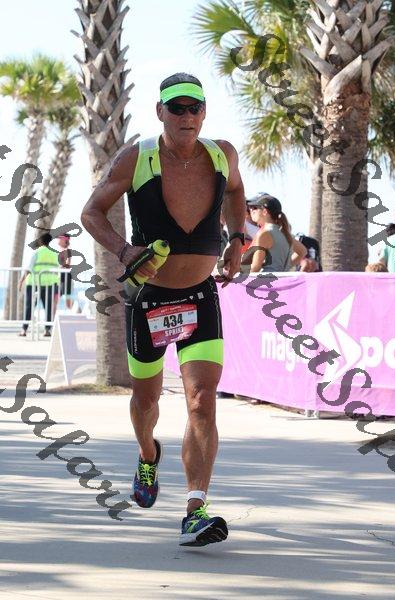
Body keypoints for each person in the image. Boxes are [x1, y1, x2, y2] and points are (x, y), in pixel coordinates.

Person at [81, 73, 246, 546]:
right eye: (177, 108)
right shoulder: (137, 157)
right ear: (160, 112)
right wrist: (124, 249)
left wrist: (237, 238)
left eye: (195, 107)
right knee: (146, 401)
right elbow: (91, 212)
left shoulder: (223, 154)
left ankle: (196, 508)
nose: (187, 116)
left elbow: (236, 193)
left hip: (200, 295)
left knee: (202, 400)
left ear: (204, 113)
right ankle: (147, 454)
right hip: (149, 298)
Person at [242, 193, 306, 273]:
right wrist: (285, 268)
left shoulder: (264, 234)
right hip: (282, 279)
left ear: (265, 211)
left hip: (266, 279)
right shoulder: (285, 233)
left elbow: (255, 268)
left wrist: (237, 271)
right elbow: (302, 251)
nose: (251, 210)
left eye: (254, 208)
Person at [18, 233, 60, 337]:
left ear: (41, 241)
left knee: (29, 307)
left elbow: (29, 268)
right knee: (48, 307)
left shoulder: (37, 252)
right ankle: (47, 330)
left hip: (34, 283)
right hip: (49, 284)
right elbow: (57, 270)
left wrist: (21, 281)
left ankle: (24, 330)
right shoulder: (54, 254)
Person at [57, 233, 73, 309]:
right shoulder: (61, 251)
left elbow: (67, 264)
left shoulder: (67, 251)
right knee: (57, 295)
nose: (59, 240)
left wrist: (60, 267)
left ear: (64, 240)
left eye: (60, 238)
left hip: (65, 275)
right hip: (62, 275)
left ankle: (72, 310)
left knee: (66, 295)